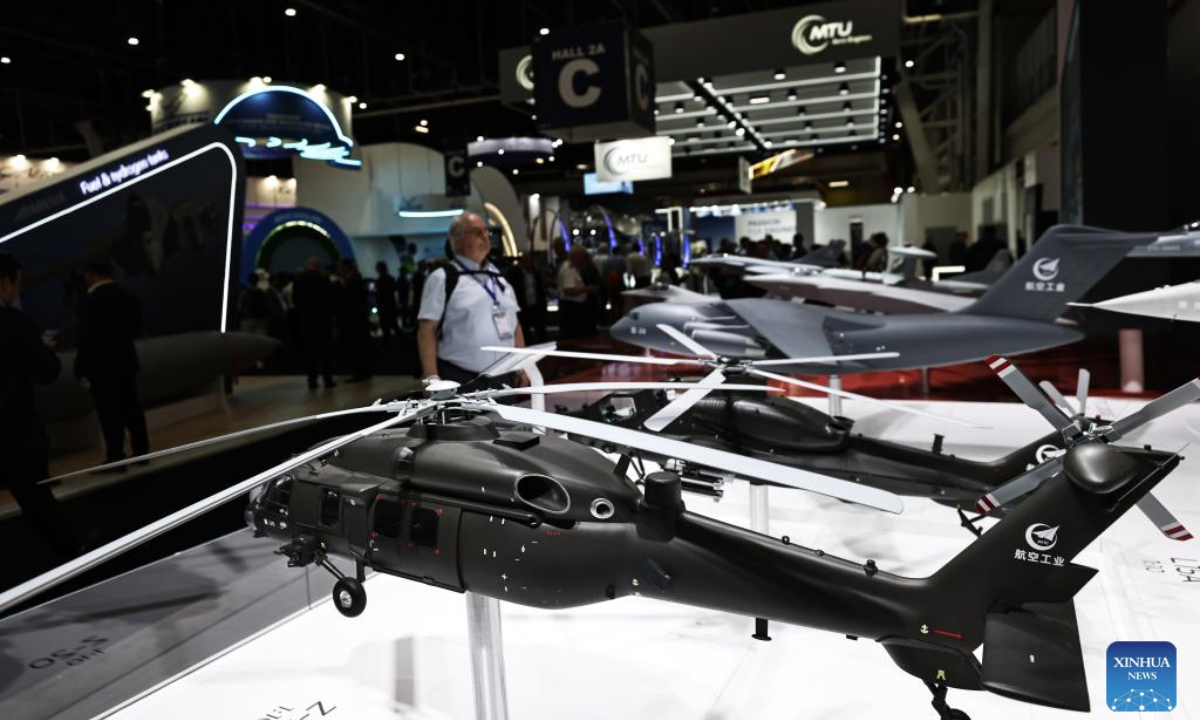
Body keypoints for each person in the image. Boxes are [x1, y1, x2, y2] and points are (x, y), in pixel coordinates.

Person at [0, 252, 82, 558]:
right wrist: (43, 351)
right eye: (16, 285)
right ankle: (71, 555)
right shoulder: (12, 322)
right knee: (37, 498)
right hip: (16, 432)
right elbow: (48, 371)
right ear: (4, 283)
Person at [417, 212, 525, 387]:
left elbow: (515, 325)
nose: (484, 236)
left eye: (485, 231)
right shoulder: (443, 278)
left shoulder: (498, 277)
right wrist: (430, 377)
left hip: (504, 377)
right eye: (476, 232)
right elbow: (426, 330)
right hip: (462, 378)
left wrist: (521, 366)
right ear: (456, 239)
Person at [75, 261, 149, 465]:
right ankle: (142, 452)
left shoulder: (89, 302)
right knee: (132, 409)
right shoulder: (128, 297)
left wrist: (80, 369)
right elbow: (136, 329)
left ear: (90, 275)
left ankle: (116, 456)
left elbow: (86, 339)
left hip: (101, 367)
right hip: (126, 362)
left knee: (109, 414)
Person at [292, 256, 336, 389]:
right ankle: (327, 379)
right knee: (325, 351)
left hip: (307, 320)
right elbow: (330, 299)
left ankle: (312, 380)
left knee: (310, 352)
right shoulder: (323, 278)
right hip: (323, 320)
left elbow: (295, 300)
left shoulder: (299, 279)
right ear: (318, 266)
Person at [558, 245, 598, 339]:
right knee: (574, 337)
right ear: (576, 256)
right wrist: (588, 289)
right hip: (572, 309)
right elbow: (568, 291)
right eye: (582, 257)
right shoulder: (569, 269)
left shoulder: (572, 267)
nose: (583, 261)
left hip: (573, 307)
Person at [374, 261, 400, 344]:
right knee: (393, 325)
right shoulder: (390, 278)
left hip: (383, 306)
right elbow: (394, 289)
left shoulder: (380, 280)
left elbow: (379, 294)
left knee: (386, 326)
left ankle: (387, 343)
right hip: (390, 305)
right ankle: (403, 342)